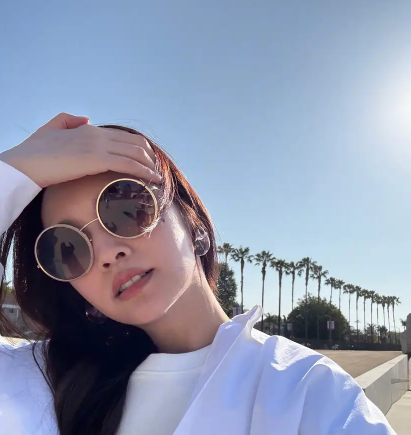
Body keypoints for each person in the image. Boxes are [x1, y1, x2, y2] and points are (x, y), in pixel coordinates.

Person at [0, 113, 396, 435]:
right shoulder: (43, 380)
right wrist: (16, 169)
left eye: (125, 207)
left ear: (193, 225)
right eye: (67, 248)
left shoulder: (306, 391)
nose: (106, 253)